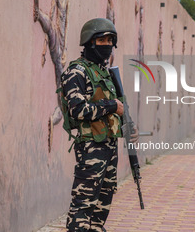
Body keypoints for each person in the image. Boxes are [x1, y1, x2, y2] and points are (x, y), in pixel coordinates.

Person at [61, 18, 138, 232]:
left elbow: (116, 112)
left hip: (108, 147)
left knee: (102, 204)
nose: (106, 45)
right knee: (83, 205)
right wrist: (112, 105)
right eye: (101, 40)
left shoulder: (105, 73)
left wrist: (129, 128)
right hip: (90, 148)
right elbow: (79, 110)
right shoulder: (77, 72)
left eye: (109, 41)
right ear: (89, 42)